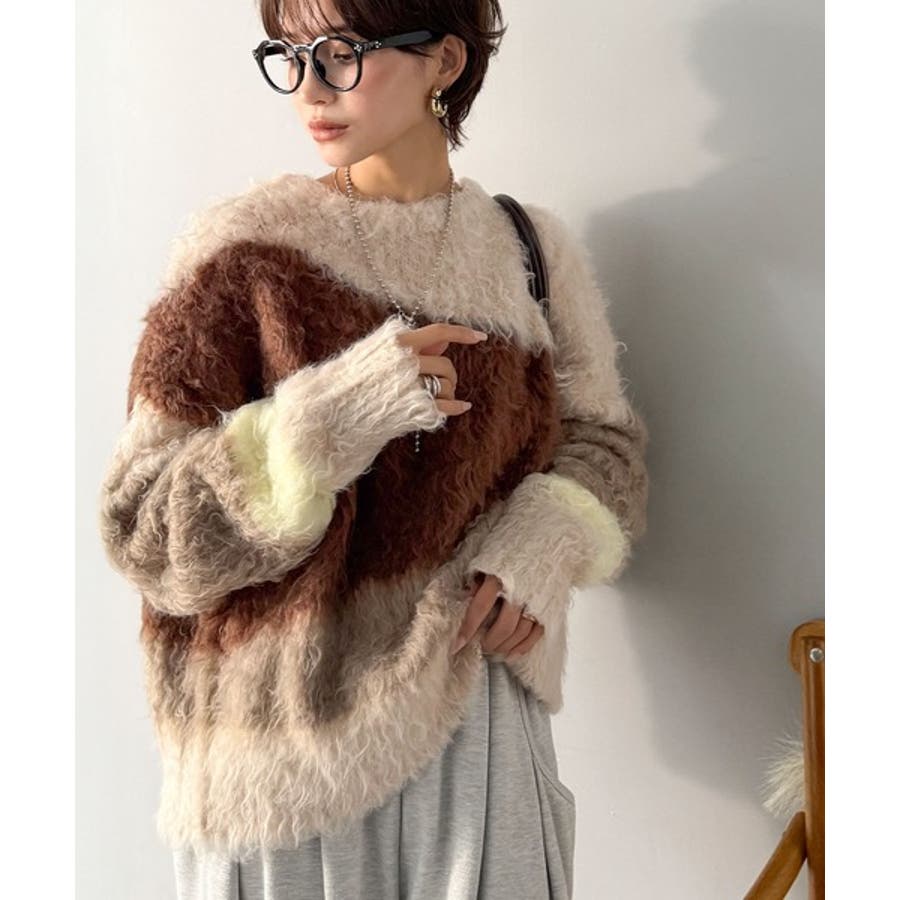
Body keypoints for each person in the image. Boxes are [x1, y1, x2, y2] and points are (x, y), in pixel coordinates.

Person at [97, 0, 650, 897]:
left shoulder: (529, 252)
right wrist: (327, 424)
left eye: (344, 52)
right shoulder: (244, 251)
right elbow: (144, 529)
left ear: (445, 61)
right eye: (290, 54)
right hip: (276, 758)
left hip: (472, 720)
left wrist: (541, 546)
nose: (310, 88)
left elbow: (605, 445)